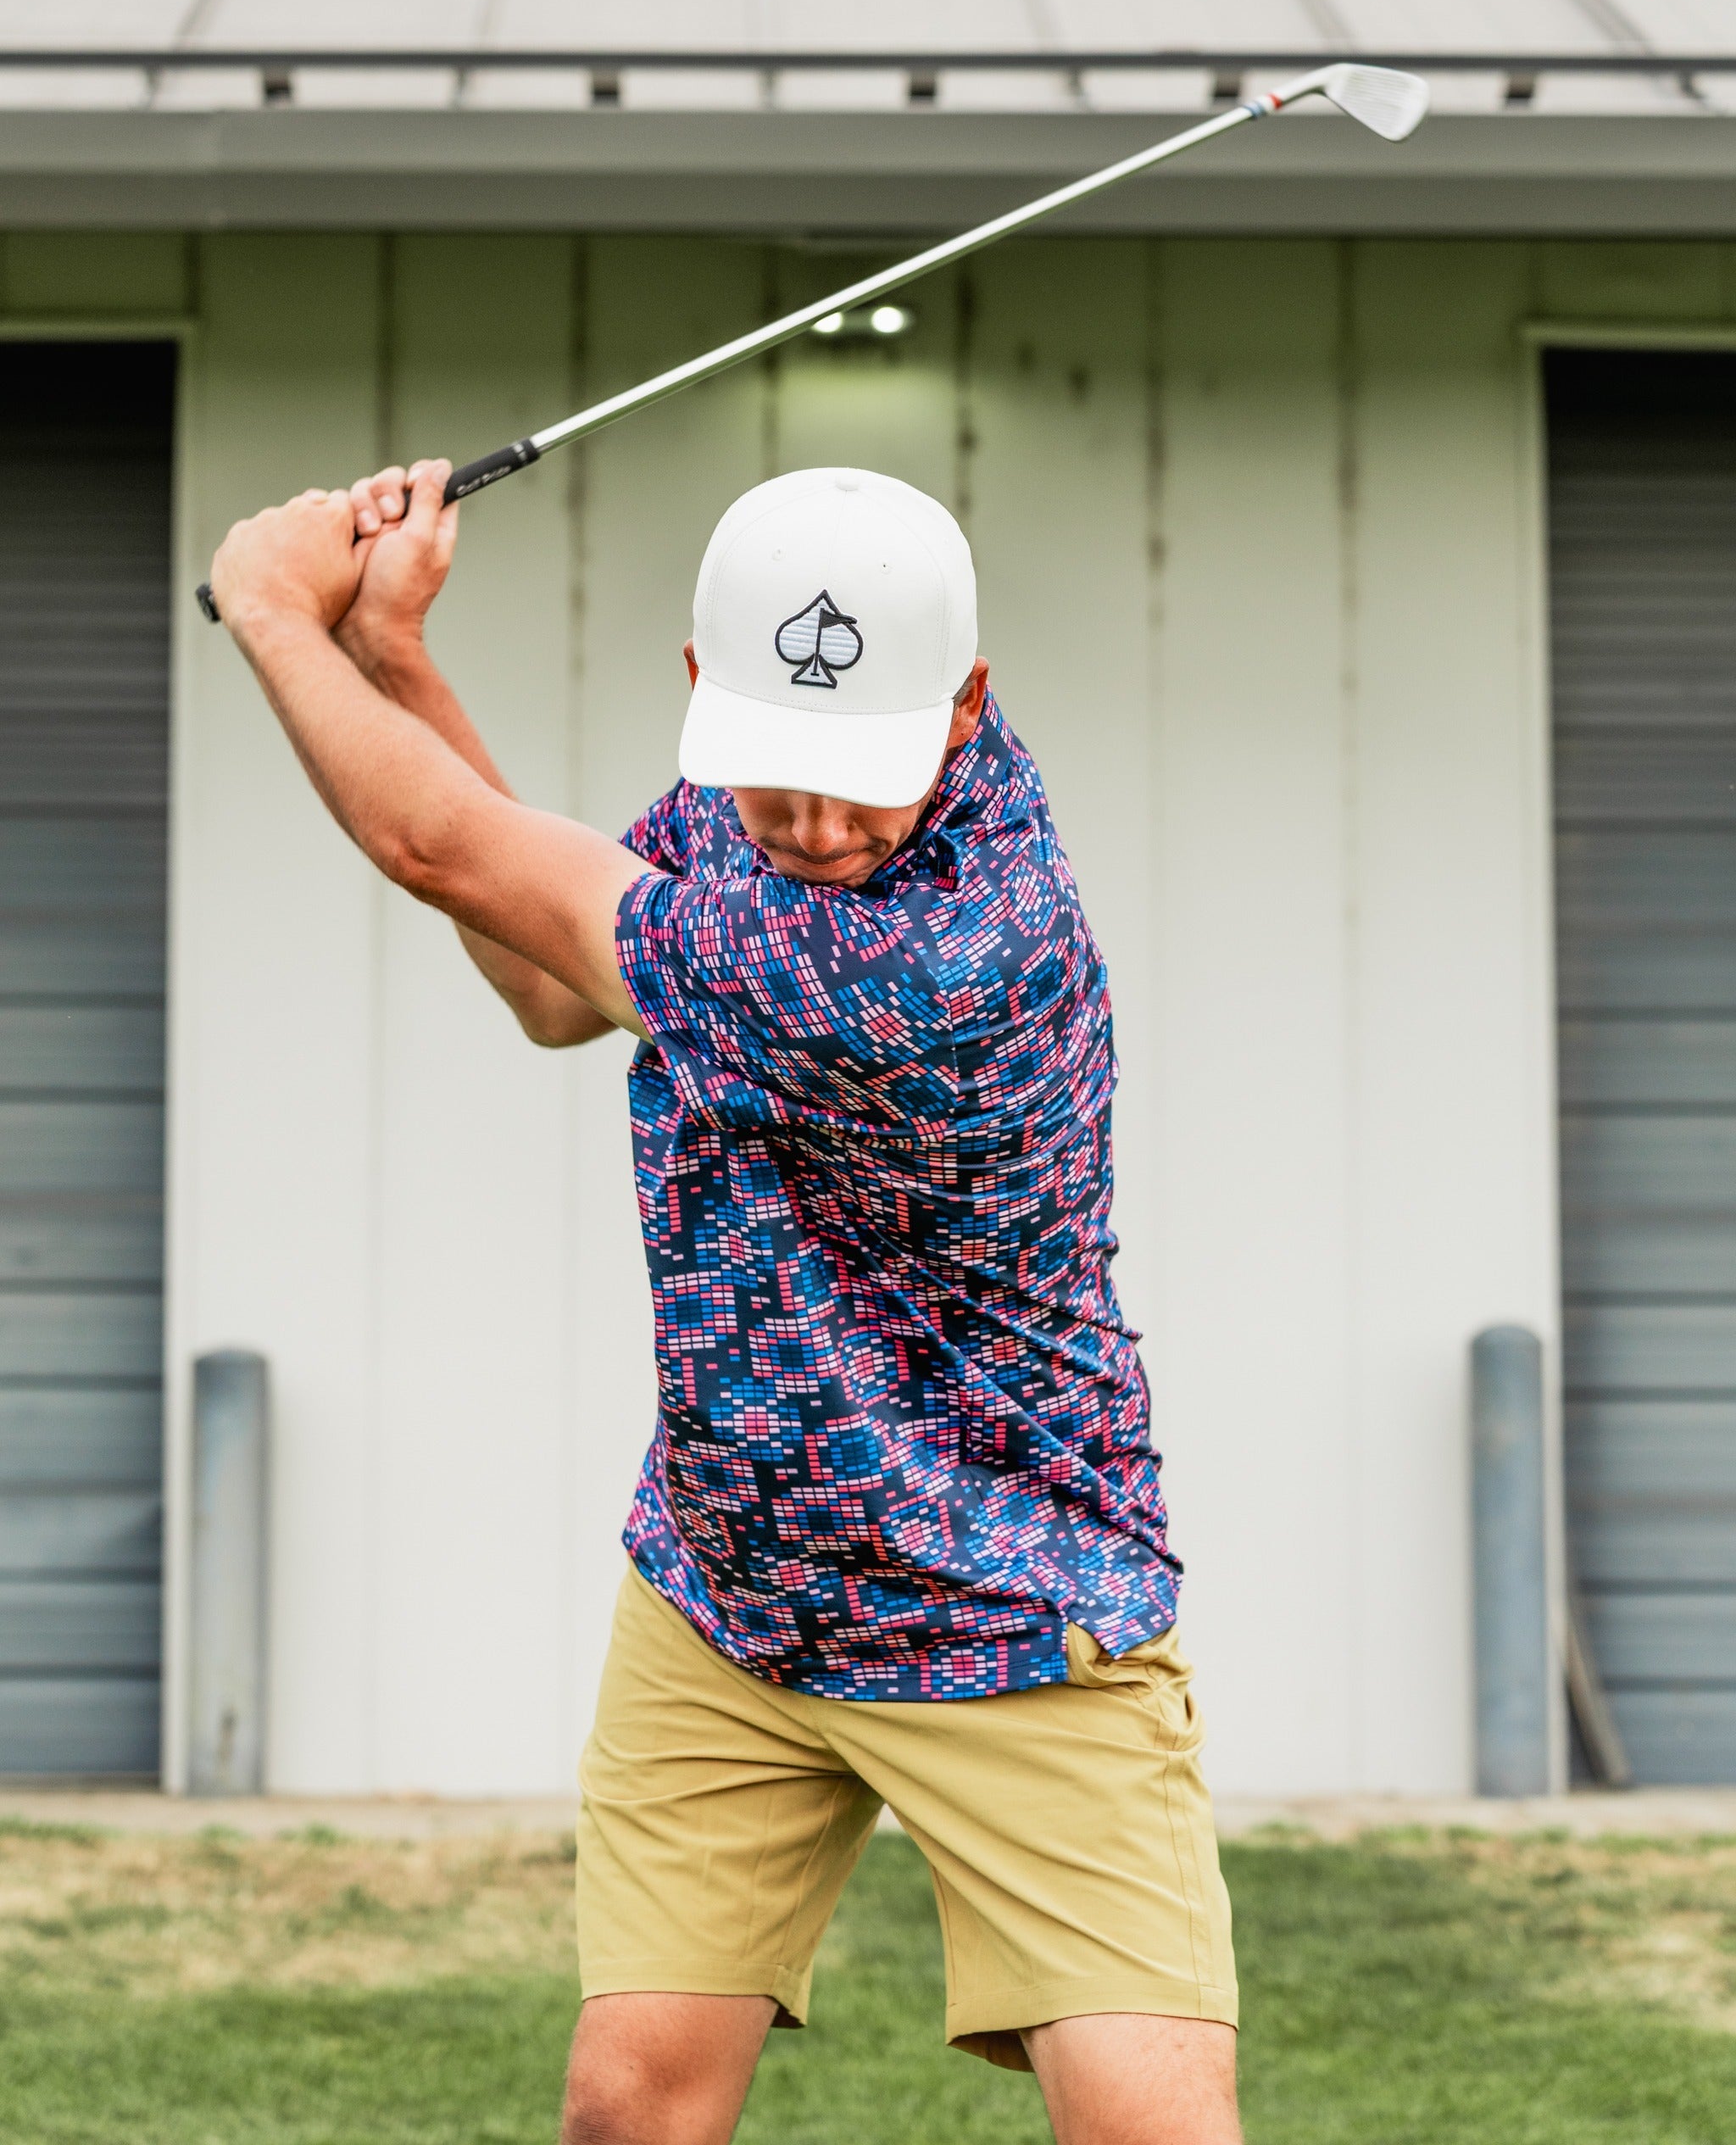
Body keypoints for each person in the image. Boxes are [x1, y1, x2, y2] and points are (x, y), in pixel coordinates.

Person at [210, 457, 1242, 2145]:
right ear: (706, 693)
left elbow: (440, 844)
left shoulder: (952, 953)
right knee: (628, 2109)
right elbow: (554, 983)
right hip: (730, 1584)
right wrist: (392, 648)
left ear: (965, 704)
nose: (823, 828)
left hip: (1006, 1593)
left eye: (867, 782)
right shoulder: (732, 804)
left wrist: (272, 604)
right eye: (781, 777)